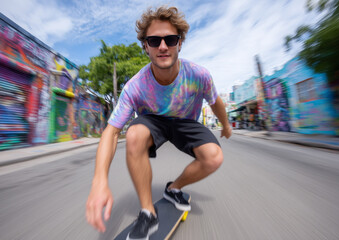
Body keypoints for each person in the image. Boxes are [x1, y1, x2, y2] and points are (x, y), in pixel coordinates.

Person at [86, 5, 232, 240]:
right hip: (153, 121)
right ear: (146, 46)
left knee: (214, 157)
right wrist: (100, 180)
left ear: (180, 43)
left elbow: (215, 102)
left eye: (170, 39)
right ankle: (147, 213)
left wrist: (225, 125)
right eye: (154, 41)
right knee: (133, 135)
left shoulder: (198, 75)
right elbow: (111, 131)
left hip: (184, 122)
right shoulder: (135, 86)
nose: (163, 46)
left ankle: (173, 189)